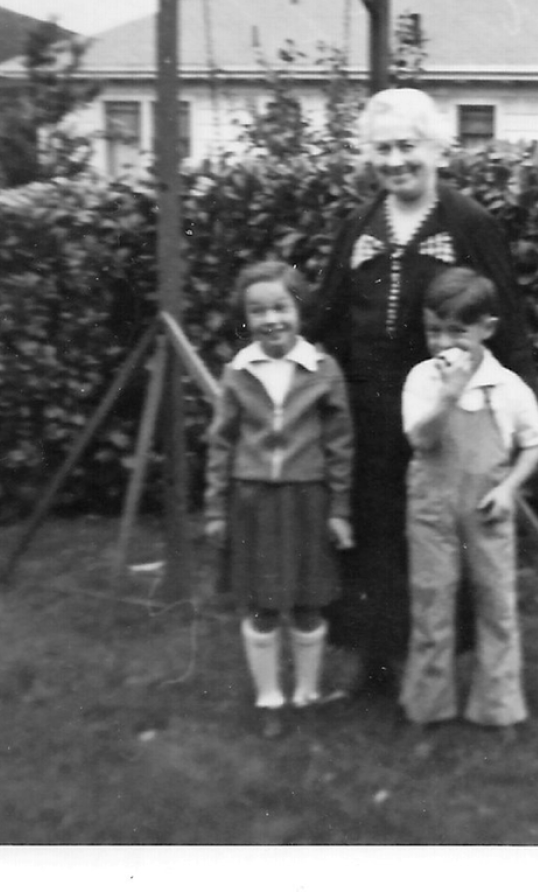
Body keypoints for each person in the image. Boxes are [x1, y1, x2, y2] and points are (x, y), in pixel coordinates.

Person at [307, 88, 536, 697]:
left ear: (436, 149)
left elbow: (503, 320)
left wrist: (514, 421)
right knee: (375, 534)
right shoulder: (358, 225)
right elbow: (326, 313)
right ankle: (376, 661)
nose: (395, 161)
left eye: (407, 146)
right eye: (382, 149)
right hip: (368, 413)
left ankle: (437, 663)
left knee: (437, 538)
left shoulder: (469, 224)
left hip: (446, 412)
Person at [204, 261, 355, 739]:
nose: (271, 319)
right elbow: (221, 443)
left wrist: (339, 509)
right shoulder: (239, 372)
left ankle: (307, 692)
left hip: (307, 500)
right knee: (263, 604)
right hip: (252, 503)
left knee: (309, 601)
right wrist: (215, 507)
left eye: (280, 307)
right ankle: (269, 696)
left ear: (299, 310)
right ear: (246, 317)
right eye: (258, 310)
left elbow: (340, 445)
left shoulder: (323, 370)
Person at [399, 267, 538, 728]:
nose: (443, 344)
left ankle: (498, 708)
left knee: (496, 604)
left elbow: (535, 441)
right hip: (432, 508)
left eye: (456, 333)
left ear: (487, 329)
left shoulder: (507, 388)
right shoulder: (423, 380)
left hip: (488, 509)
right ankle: (429, 707)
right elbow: (421, 440)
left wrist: (508, 488)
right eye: (433, 331)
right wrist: (447, 396)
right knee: (432, 603)